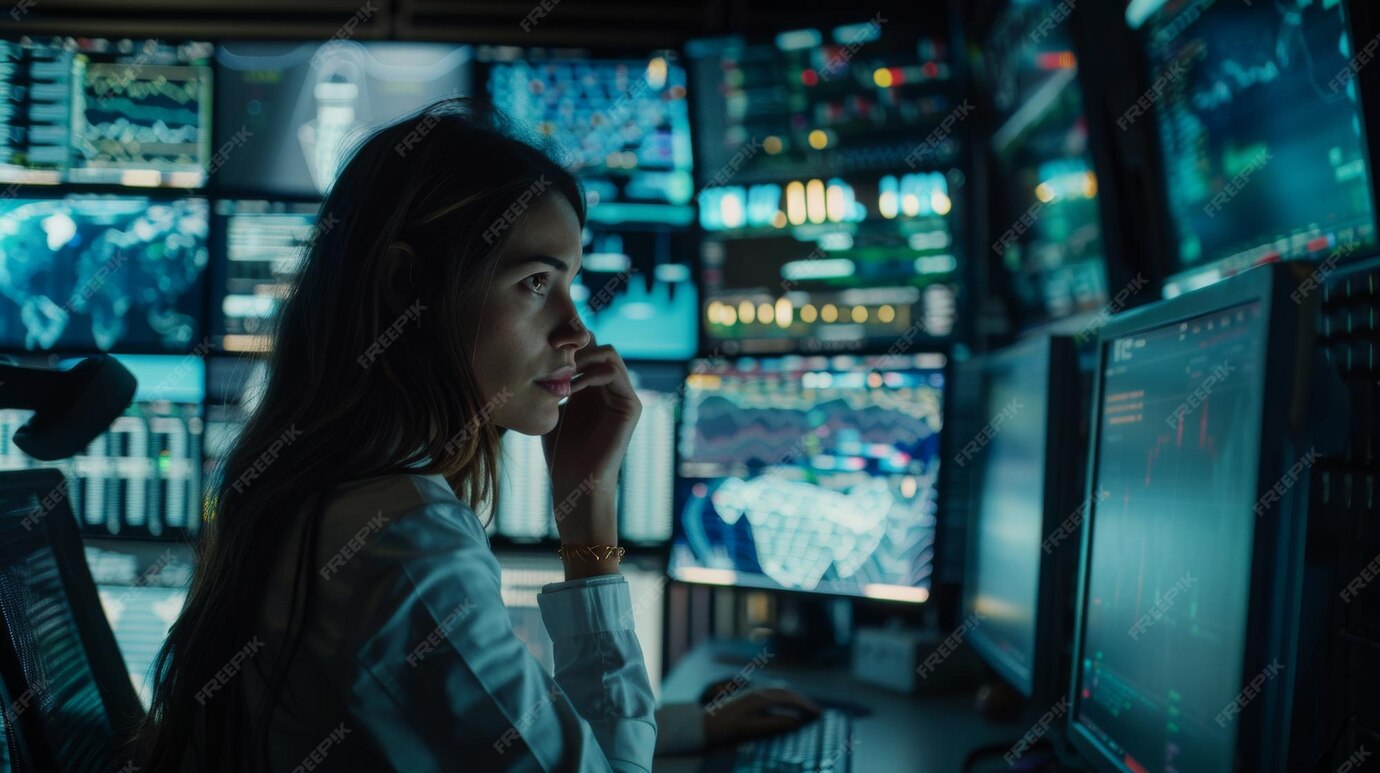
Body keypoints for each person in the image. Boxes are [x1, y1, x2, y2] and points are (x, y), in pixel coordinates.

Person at [136, 97, 816, 772]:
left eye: (571, 283)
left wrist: (685, 723)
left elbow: (500, 733)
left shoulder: (329, 495)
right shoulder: (403, 544)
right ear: (407, 285)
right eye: (535, 282)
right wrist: (590, 517)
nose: (576, 331)